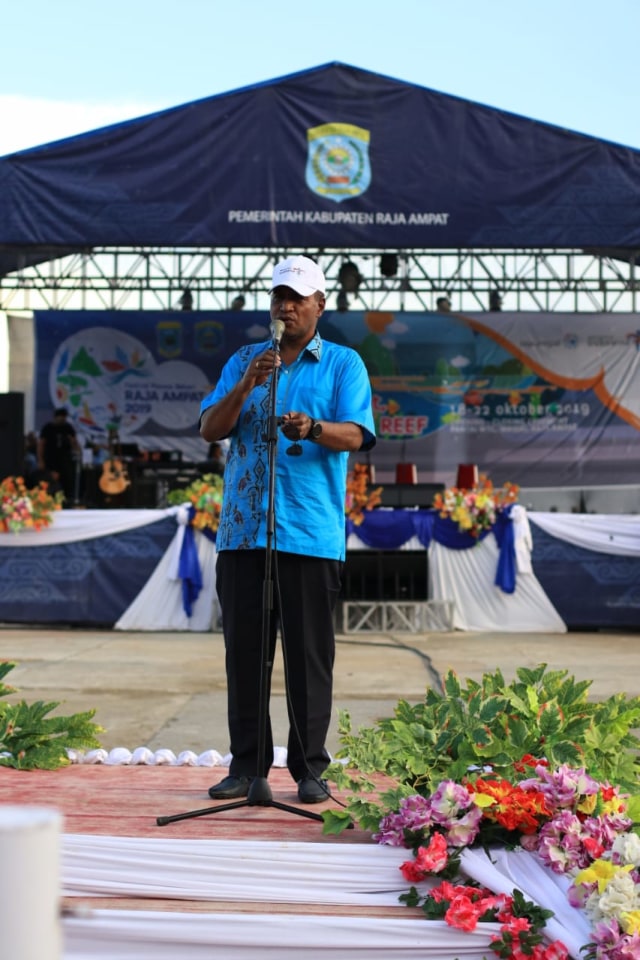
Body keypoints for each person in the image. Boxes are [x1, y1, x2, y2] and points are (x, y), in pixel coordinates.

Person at [200, 254, 376, 804]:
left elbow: (358, 435)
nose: (287, 306)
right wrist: (246, 386)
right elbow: (211, 428)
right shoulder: (246, 361)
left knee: (307, 656)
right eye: (280, 296)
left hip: (308, 531)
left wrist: (315, 426)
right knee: (245, 653)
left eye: (298, 298)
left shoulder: (344, 364)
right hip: (244, 533)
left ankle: (310, 770)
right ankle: (246, 764)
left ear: (321, 305)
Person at [37, 407, 81, 504]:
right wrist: (40, 459)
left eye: (64, 418)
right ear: (56, 417)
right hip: (50, 458)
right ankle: (49, 499)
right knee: (50, 480)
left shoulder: (67, 427)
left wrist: (77, 450)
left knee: (66, 480)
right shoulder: (48, 428)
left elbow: (74, 441)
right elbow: (41, 444)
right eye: (61, 417)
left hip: (65, 458)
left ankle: (65, 500)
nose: (62, 420)